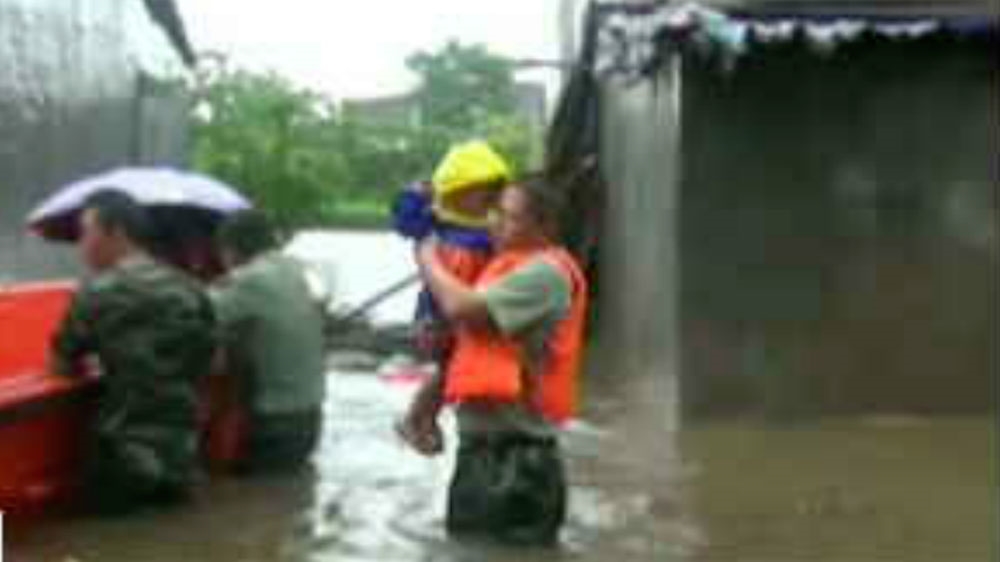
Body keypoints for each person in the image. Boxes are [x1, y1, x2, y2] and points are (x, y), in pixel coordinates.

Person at [413, 176, 589, 545]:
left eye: (507, 216)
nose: (493, 222)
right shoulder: (507, 269)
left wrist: (427, 256)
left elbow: (461, 307)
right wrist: (426, 404)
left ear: (544, 227)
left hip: (520, 466)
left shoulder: (548, 273)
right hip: (481, 455)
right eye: (495, 213)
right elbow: (473, 346)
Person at [51, 191, 216, 515]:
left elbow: (62, 364)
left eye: (86, 233)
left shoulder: (96, 293)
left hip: (123, 457)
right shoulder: (191, 289)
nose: (81, 244)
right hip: (183, 454)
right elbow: (211, 361)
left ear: (116, 233)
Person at [392, 140, 511, 455]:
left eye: (489, 190)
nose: (482, 198)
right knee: (451, 368)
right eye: (474, 190)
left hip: (466, 311)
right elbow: (404, 222)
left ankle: (423, 419)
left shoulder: (496, 229)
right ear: (455, 191)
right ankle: (418, 418)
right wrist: (415, 194)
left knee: (456, 368)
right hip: (436, 316)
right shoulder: (435, 224)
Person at [210, 210, 326, 475]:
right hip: (310, 419)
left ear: (230, 249)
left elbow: (193, 311)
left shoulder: (250, 280)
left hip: (274, 426)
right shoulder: (295, 269)